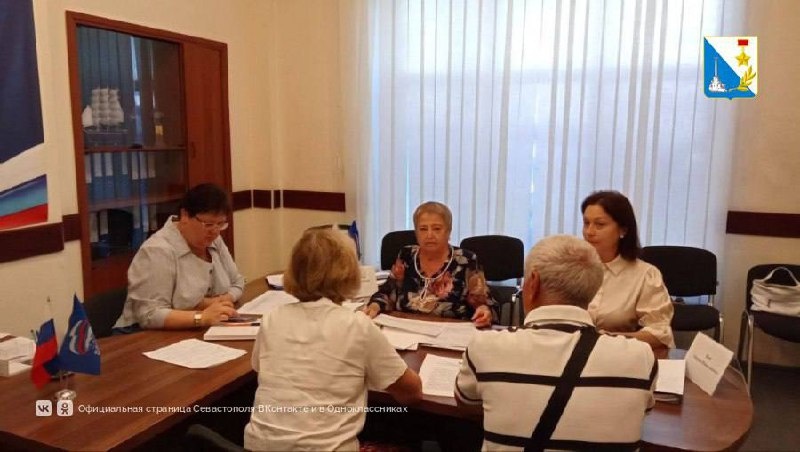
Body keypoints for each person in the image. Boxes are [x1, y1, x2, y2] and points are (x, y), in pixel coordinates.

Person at [455, 235, 657, 451]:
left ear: (533, 283)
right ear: (594, 287)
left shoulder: (486, 347)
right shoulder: (640, 357)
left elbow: (467, 404)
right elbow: (640, 411)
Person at [244, 229, 422, 451]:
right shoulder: (356, 325)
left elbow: (260, 368)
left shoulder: (272, 318)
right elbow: (411, 393)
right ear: (349, 273)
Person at [114, 183, 241, 330]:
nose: (215, 231)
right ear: (185, 215)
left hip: (197, 327)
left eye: (220, 224)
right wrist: (201, 317)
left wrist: (220, 301)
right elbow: (150, 315)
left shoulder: (213, 239)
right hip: (143, 334)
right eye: (208, 224)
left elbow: (237, 282)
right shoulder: (157, 250)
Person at [364, 201, 496, 327]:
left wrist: (484, 310)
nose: (429, 235)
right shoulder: (406, 255)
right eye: (423, 229)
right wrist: (375, 305)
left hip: (450, 334)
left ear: (448, 231)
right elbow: (387, 291)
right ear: (416, 233)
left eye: (437, 229)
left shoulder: (466, 260)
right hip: (407, 330)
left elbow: (484, 303)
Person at [581, 190, 675, 349]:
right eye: (586, 223)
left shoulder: (645, 275)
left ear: (623, 230)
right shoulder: (570, 268)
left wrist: (608, 339)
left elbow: (659, 333)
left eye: (600, 224)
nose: (589, 232)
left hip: (618, 353)